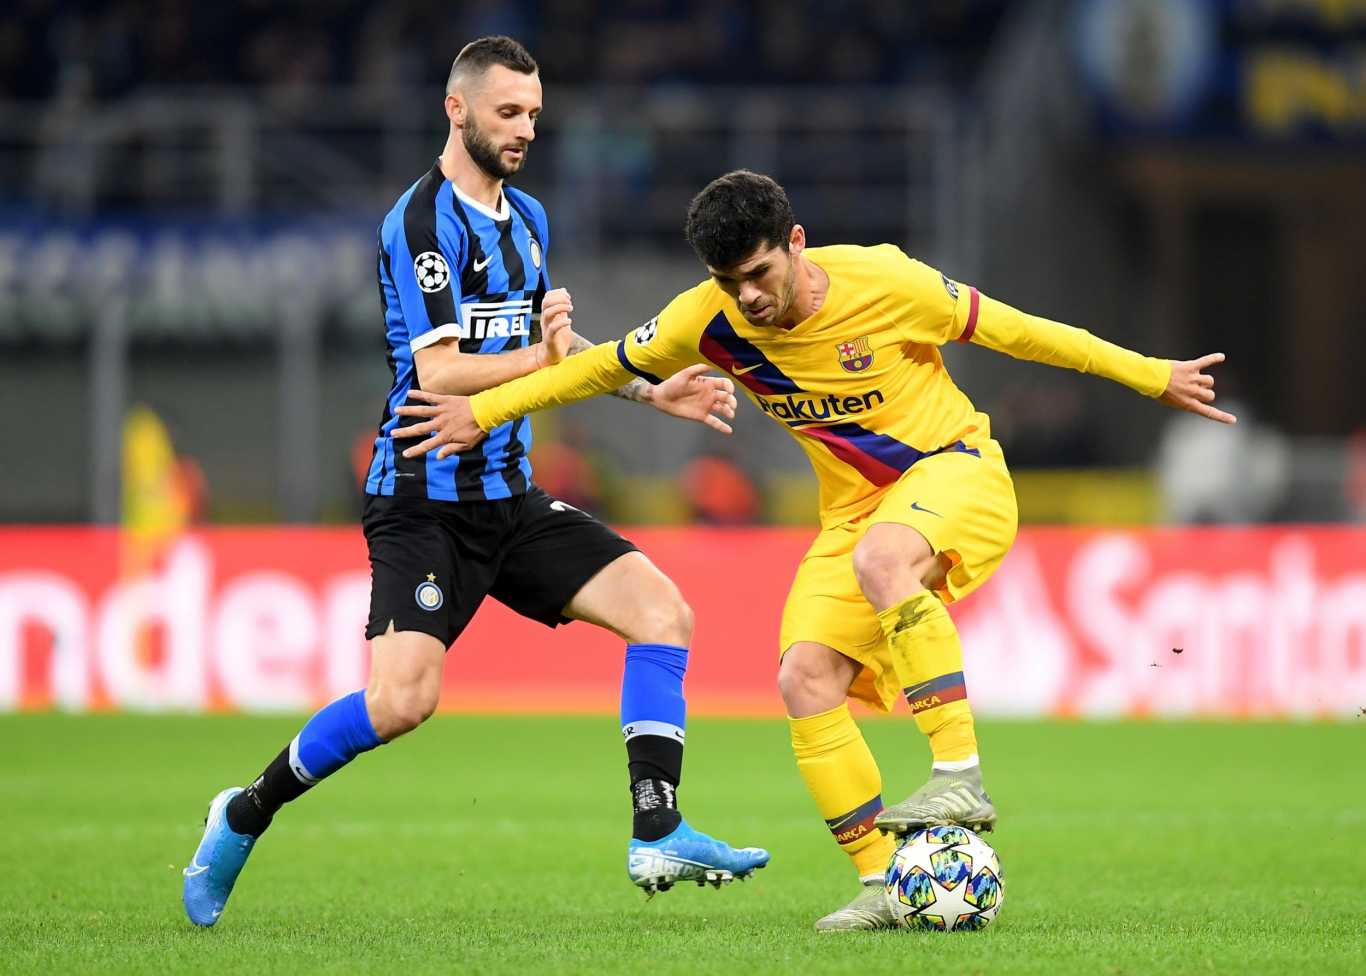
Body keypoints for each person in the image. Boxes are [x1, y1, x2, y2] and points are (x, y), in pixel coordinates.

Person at [388, 170, 1236, 930]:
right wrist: (485, 411)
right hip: (857, 512)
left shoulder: (888, 282)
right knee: (804, 678)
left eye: (760, 273)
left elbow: (1023, 334)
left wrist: (1150, 374)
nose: (748, 297)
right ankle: (882, 883)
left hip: (957, 471)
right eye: (729, 281)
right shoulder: (706, 318)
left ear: (795, 242)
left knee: (883, 563)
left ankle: (959, 772)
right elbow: (600, 367)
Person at [181, 40, 765, 929]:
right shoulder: (420, 223)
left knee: (663, 612)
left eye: (534, 114)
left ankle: (658, 828)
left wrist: (651, 391)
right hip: (422, 500)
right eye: (508, 112)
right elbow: (445, 372)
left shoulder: (527, 217)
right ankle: (245, 812)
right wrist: (547, 358)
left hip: (510, 497)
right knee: (402, 702)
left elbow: (553, 352)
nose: (525, 129)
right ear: (457, 110)